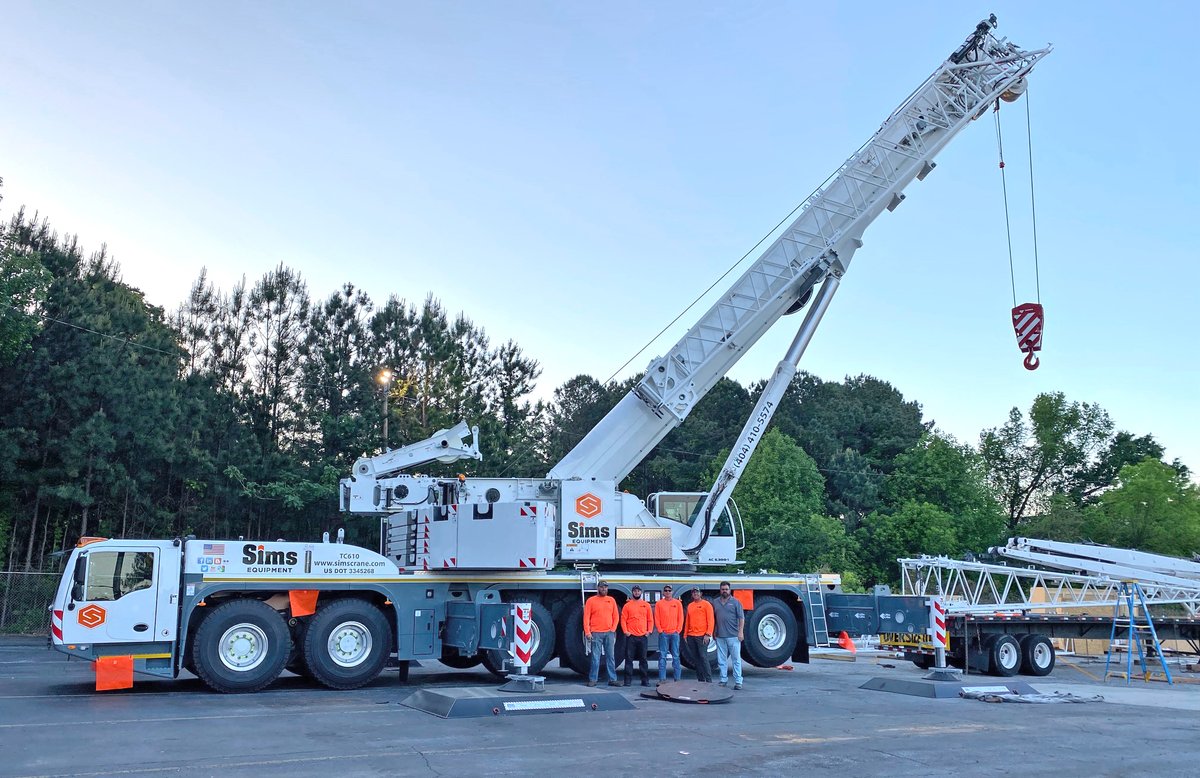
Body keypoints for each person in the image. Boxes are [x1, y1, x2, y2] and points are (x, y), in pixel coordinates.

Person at [584, 580, 620, 687]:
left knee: (611, 657)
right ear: (598, 588)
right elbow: (586, 618)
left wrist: (613, 629)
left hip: (609, 633)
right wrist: (587, 632)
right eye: (602, 587)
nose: (604, 589)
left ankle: (612, 679)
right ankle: (593, 679)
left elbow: (616, 616)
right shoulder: (591, 601)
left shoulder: (611, 600)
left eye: (605, 587)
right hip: (596, 633)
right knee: (595, 657)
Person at [713, 580, 745, 689]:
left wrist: (740, 632)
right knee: (721, 660)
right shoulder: (715, 602)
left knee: (736, 660)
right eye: (723, 589)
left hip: (733, 636)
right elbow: (713, 619)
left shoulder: (736, 602)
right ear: (720, 590)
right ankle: (723, 679)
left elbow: (741, 618)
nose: (724, 591)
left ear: (730, 590)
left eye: (726, 589)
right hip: (720, 635)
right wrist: (714, 631)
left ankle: (738, 681)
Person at [620, 585, 653, 686]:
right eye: (635, 591)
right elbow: (623, 619)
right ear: (632, 592)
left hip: (643, 636)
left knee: (643, 659)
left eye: (638, 591)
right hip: (631, 637)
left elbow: (650, 619)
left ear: (641, 592)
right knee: (629, 659)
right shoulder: (627, 605)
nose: (637, 593)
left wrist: (649, 631)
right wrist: (625, 631)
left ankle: (645, 680)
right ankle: (627, 680)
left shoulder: (646, 605)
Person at [683, 586, 714, 682]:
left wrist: (708, 634)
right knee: (696, 659)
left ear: (701, 594)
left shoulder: (706, 605)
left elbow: (711, 620)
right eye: (694, 593)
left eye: (697, 592)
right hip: (691, 636)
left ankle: (709, 680)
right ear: (692, 595)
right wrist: (685, 634)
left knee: (703, 657)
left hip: (702, 636)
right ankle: (700, 680)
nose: (695, 594)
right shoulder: (690, 606)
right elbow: (687, 621)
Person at [655, 584, 684, 684]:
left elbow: (681, 618)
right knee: (662, 656)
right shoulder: (659, 603)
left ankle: (677, 679)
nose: (667, 592)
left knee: (676, 656)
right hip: (664, 634)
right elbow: (657, 618)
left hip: (674, 634)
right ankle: (662, 679)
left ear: (672, 592)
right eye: (666, 590)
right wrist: (660, 630)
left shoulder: (677, 603)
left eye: (669, 590)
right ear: (663, 592)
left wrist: (678, 630)